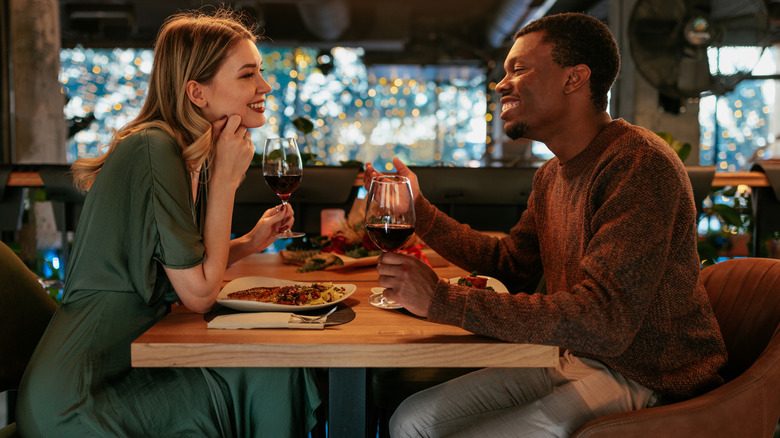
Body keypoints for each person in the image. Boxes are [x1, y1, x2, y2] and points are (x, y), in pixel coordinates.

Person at [364, 12, 727, 438]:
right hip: (577, 356)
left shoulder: (639, 163)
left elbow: (603, 320)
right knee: (411, 420)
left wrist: (440, 299)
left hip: (648, 377)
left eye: (518, 69)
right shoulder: (552, 173)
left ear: (574, 79)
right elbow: (510, 263)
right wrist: (418, 210)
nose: (501, 84)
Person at [17, 8, 320, 437]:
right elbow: (198, 294)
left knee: (272, 368)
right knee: (267, 369)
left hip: (127, 371)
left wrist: (250, 242)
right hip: (81, 398)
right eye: (248, 74)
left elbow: (182, 271)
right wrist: (227, 183)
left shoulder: (181, 153)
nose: (265, 86)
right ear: (197, 92)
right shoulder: (152, 149)